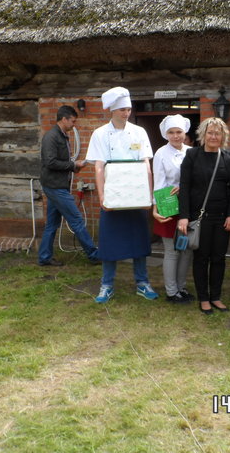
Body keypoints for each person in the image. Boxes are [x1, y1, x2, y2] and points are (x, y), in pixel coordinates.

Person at [86, 87, 159, 303]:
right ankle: (107, 284)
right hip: (113, 194)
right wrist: (102, 196)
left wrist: (148, 195)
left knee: (139, 240)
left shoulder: (139, 132)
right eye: (122, 110)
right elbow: (99, 167)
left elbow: (146, 164)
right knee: (109, 241)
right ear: (112, 110)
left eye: (128, 109)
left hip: (136, 194)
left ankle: (142, 282)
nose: (126, 113)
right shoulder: (100, 134)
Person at [178, 117, 230, 314]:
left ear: (223, 136)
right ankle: (204, 298)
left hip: (222, 218)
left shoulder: (228, 157)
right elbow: (184, 187)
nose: (214, 136)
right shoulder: (192, 155)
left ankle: (216, 297)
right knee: (201, 258)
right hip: (199, 217)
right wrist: (183, 216)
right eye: (210, 133)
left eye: (217, 133)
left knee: (219, 258)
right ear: (203, 135)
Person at [38, 105, 98, 266]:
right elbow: (50, 162)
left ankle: (44, 257)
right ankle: (93, 255)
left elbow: (60, 162)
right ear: (64, 119)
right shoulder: (51, 137)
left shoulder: (62, 135)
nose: (74, 124)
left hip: (57, 185)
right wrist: (72, 165)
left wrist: (75, 166)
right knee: (77, 220)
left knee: (52, 224)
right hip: (55, 186)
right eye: (72, 121)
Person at [152, 115, 194, 303]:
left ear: (185, 133)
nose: (175, 136)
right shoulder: (161, 153)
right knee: (172, 250)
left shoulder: (192, 152)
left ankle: (181, 287)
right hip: (168, 204)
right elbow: (159, 183)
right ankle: (171, 291)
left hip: (190, 205)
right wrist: (157, 208)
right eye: (171, 132)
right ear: (165, 134)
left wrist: (184, 187)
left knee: (186, 249)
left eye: (179, 132)